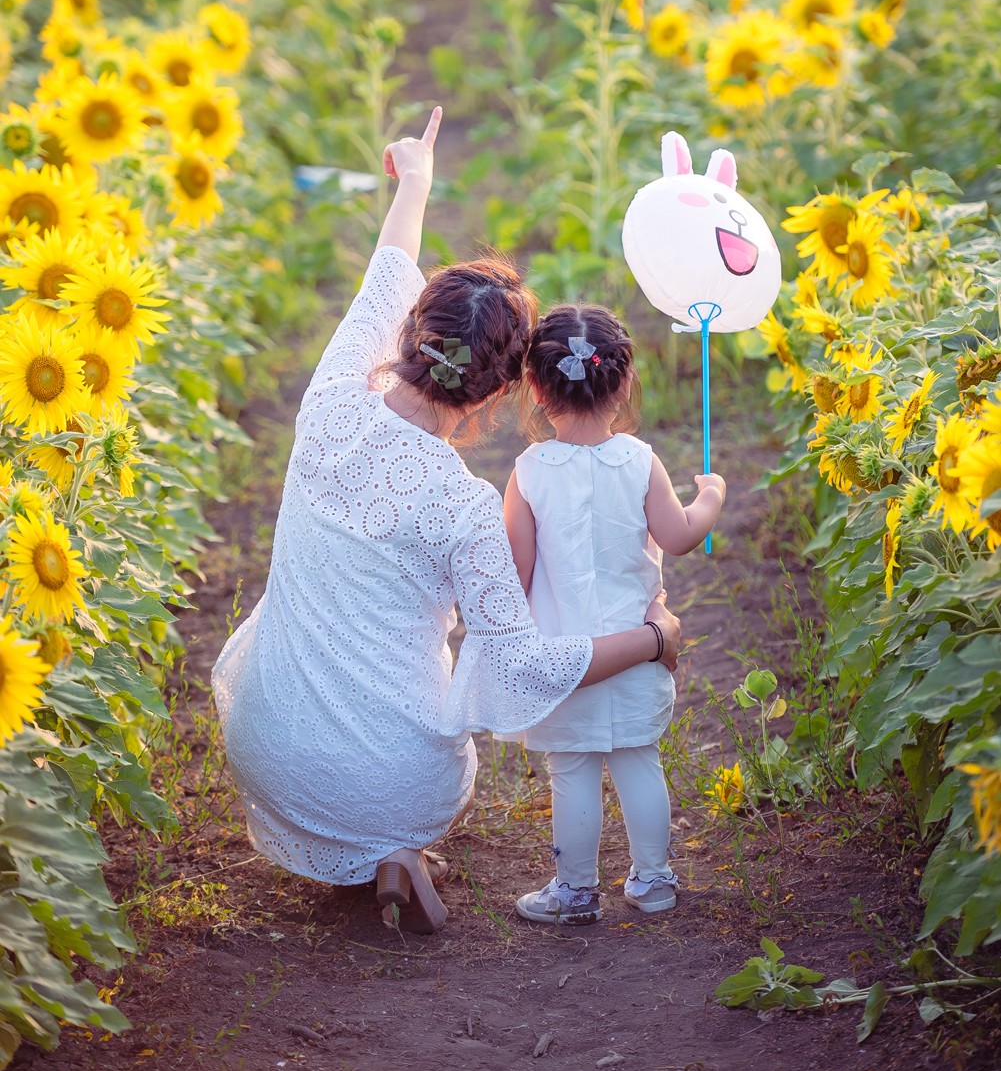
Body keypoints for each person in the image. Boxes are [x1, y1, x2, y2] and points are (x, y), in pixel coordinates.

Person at [212, 108, 683, 935]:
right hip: (390, 784)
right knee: (429, 747)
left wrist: (416, 181)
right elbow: (524, 665)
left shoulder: (329, 399)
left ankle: (356, 839)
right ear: (500, 393)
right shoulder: (463, 504)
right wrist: (652, 637)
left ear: (409, 333)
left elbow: (387, 272)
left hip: (261, 744)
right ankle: (395, 846)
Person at [503, 303, 726, 926]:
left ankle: (576, 891)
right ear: (624, 383)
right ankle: (653, 881)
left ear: (536, 388)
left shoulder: (528, 472)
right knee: (638, 761)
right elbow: (679, 535)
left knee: (571, 770)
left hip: (566, 658)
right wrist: (710, 498)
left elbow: (517, 572)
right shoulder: (639, 460)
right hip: (637, 647)